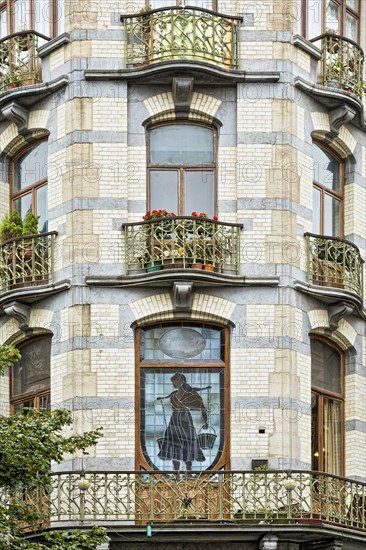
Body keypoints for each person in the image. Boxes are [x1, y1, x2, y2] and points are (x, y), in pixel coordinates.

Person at [157, 373, 210, 472]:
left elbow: (202, 408)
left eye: (175, 382)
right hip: (174, 420)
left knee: (188, 444)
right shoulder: (173, 395)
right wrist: (162, 398)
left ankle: (188, 472)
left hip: (185, 420)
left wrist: (205, 421)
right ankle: (176, 473)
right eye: (172, 382)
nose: (173, 384)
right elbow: (168, 396)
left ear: (181, 381)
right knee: (173, 444)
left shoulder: (191, 394)